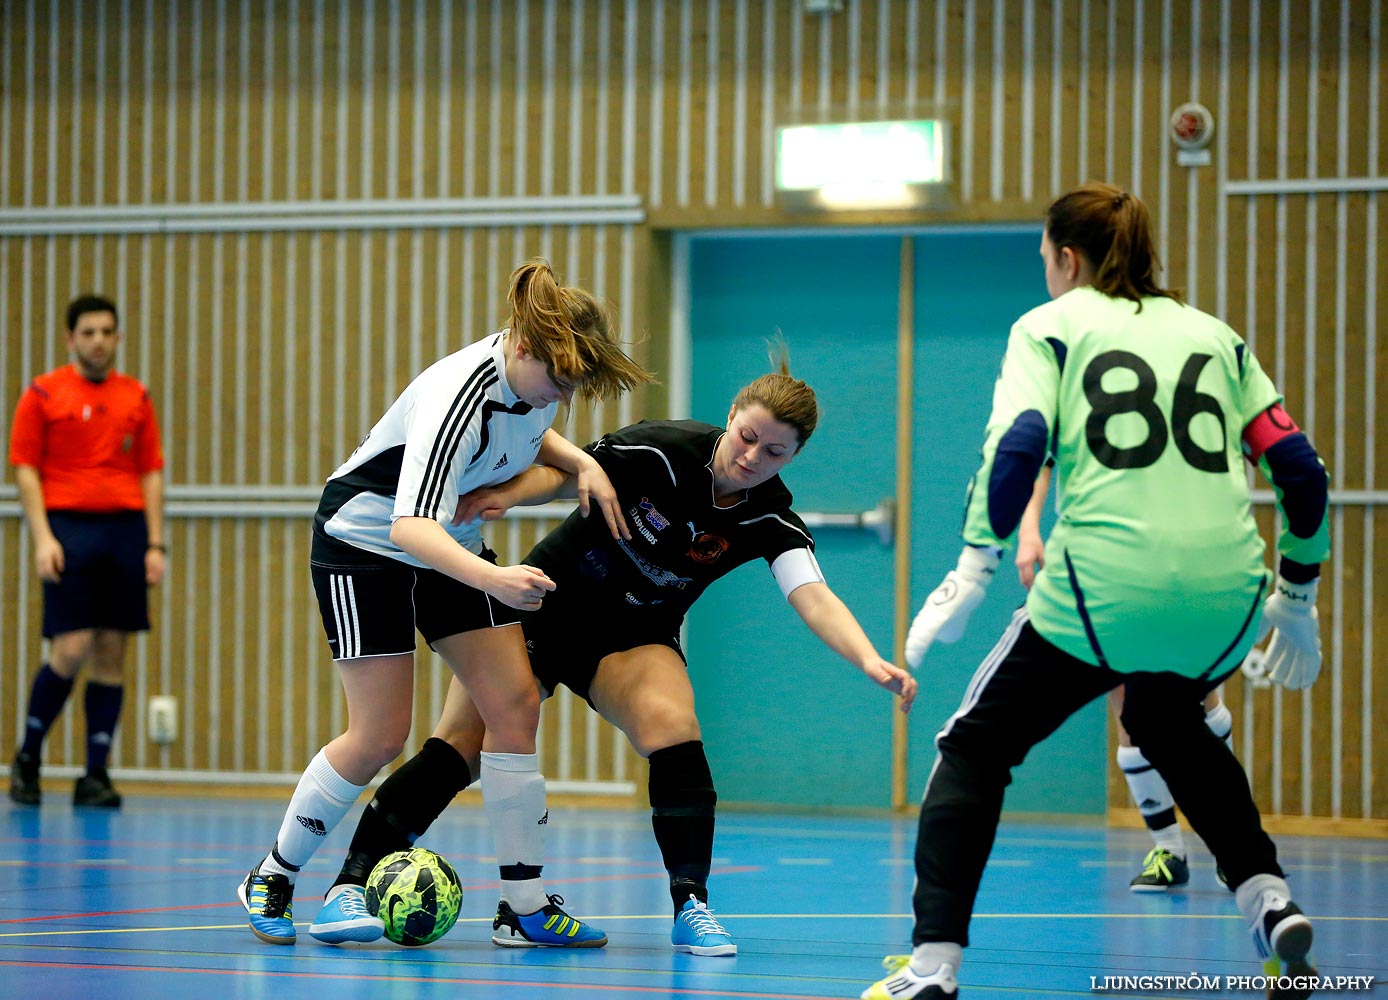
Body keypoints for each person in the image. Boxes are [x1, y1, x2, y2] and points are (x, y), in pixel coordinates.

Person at [862, 182, 1330, 1000]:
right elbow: (1298, 468)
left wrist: (974, 567)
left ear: (1067, 258)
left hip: (1103, 589)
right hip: (1229, 594)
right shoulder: (1218, 338)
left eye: (1045, 258)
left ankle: (932, 965)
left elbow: (1020, 445)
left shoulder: (1050, 326)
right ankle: (1268, 897)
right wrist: (1297, 596)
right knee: (1168, 719)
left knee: (974, 747)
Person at [304, 347, 917, 956]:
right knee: (459, 749)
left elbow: (812, 595)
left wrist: (868, 659)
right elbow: (572, 472)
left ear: (794, 456)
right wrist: (512, 494)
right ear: (732, 416)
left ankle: (692, 906)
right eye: (748, 436)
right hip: (541, 606)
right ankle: (350, 885)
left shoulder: (771, 518)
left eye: (774, 452)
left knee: (674, 727)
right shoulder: (661, 449)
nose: (752, 457)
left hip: (631, 636)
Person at [238, 259, 652, 948]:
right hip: (366, 545)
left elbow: (531, 427)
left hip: (446, 541)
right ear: (522, 346)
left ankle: (522, 906)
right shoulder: (456, 395)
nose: (563, 397)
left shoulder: (538, 383)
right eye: (559, 380)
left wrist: (580, 462)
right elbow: (407, 526)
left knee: (514, 706)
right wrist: (496, 580)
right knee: (379, 734)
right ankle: (274, 874)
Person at [1017, 462, 1235, 892]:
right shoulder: (1066, 399)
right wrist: (1029, 531)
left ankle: (1232, 847)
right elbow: (1039, 460)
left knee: (1199, 691)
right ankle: (1169, 850)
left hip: (1176, 552)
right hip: (1099, 560)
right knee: (1122, 697)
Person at [7, 294, 167, 809]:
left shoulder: (135, 397)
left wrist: (154, 542)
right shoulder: (42, 394)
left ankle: (95, 773)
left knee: (111, 651)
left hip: (123, 531)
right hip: (68, 528)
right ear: (71, 338)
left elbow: (150, 471)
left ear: (118, 338)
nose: (98, 341)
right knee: (70, 648)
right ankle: (29, 757)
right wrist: (43, 538)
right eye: (88, 332)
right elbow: (25, 467)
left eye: (107, 332)